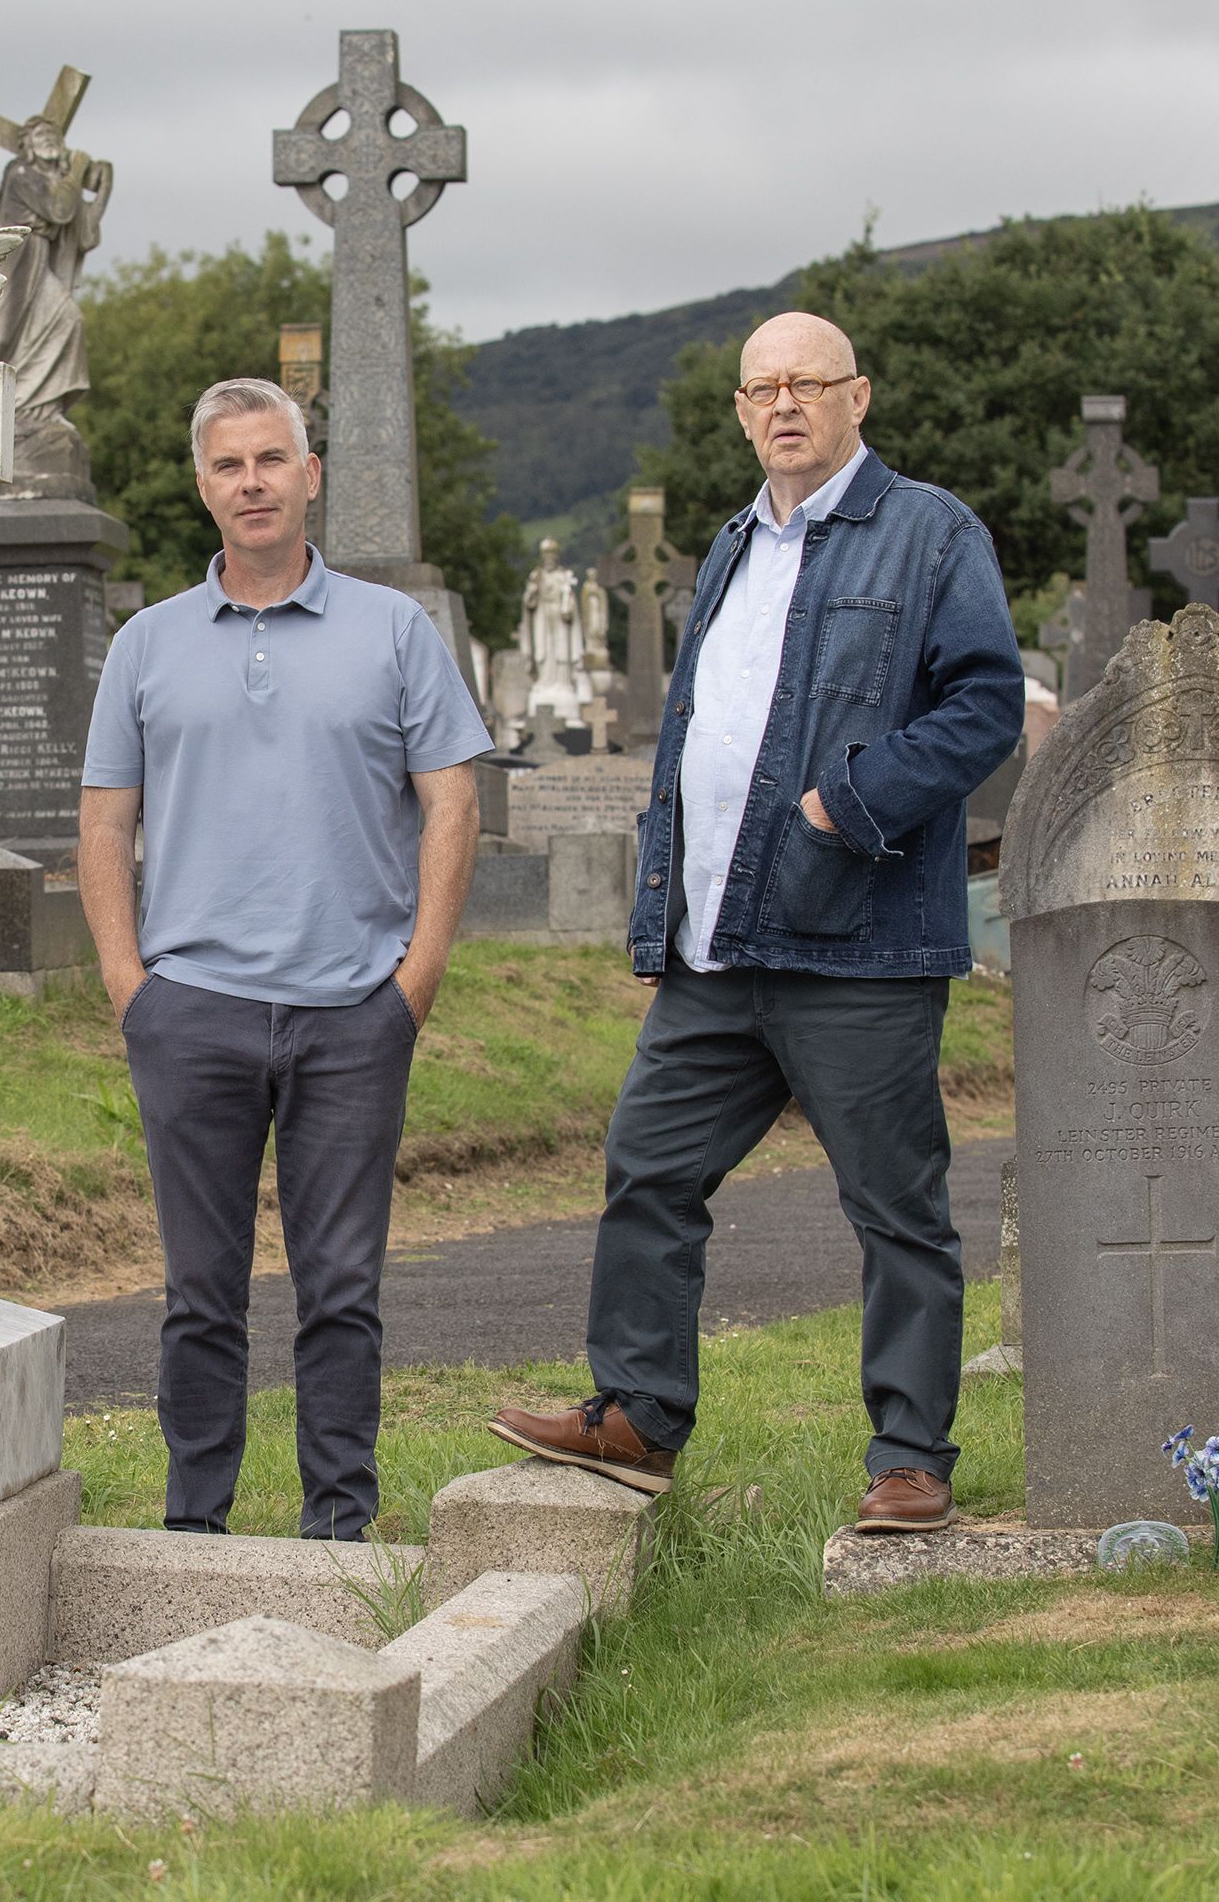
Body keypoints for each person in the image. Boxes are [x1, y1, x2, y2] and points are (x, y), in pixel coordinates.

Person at [489, 313, 1023, 1534]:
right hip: (718, 944)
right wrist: (663, 908)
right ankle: (636, 1415)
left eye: (807, 384)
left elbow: (985, 705)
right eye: (762, 388)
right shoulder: (734, 543)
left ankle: (911, 1458)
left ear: (857, 398)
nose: (784, 404)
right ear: (740, 411)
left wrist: (848, 802)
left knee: (896, 1209)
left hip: (859, 942)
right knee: (649, 1167)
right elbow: (702, 734)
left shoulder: (931, 532)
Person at [80, 377, 491, 1540]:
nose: (251, 483)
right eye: (229, 464)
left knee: (342, 1291)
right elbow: (105, 822)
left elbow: (453, 801)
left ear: (310, 476)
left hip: (352, 1013)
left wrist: (413, 981)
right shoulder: (147, 644)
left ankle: (339, 1533)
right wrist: (131, 988)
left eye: (271, 460)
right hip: (191, 1011)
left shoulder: (393, 631)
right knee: (199, 1295)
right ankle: (193, 1529)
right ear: (203, 486)